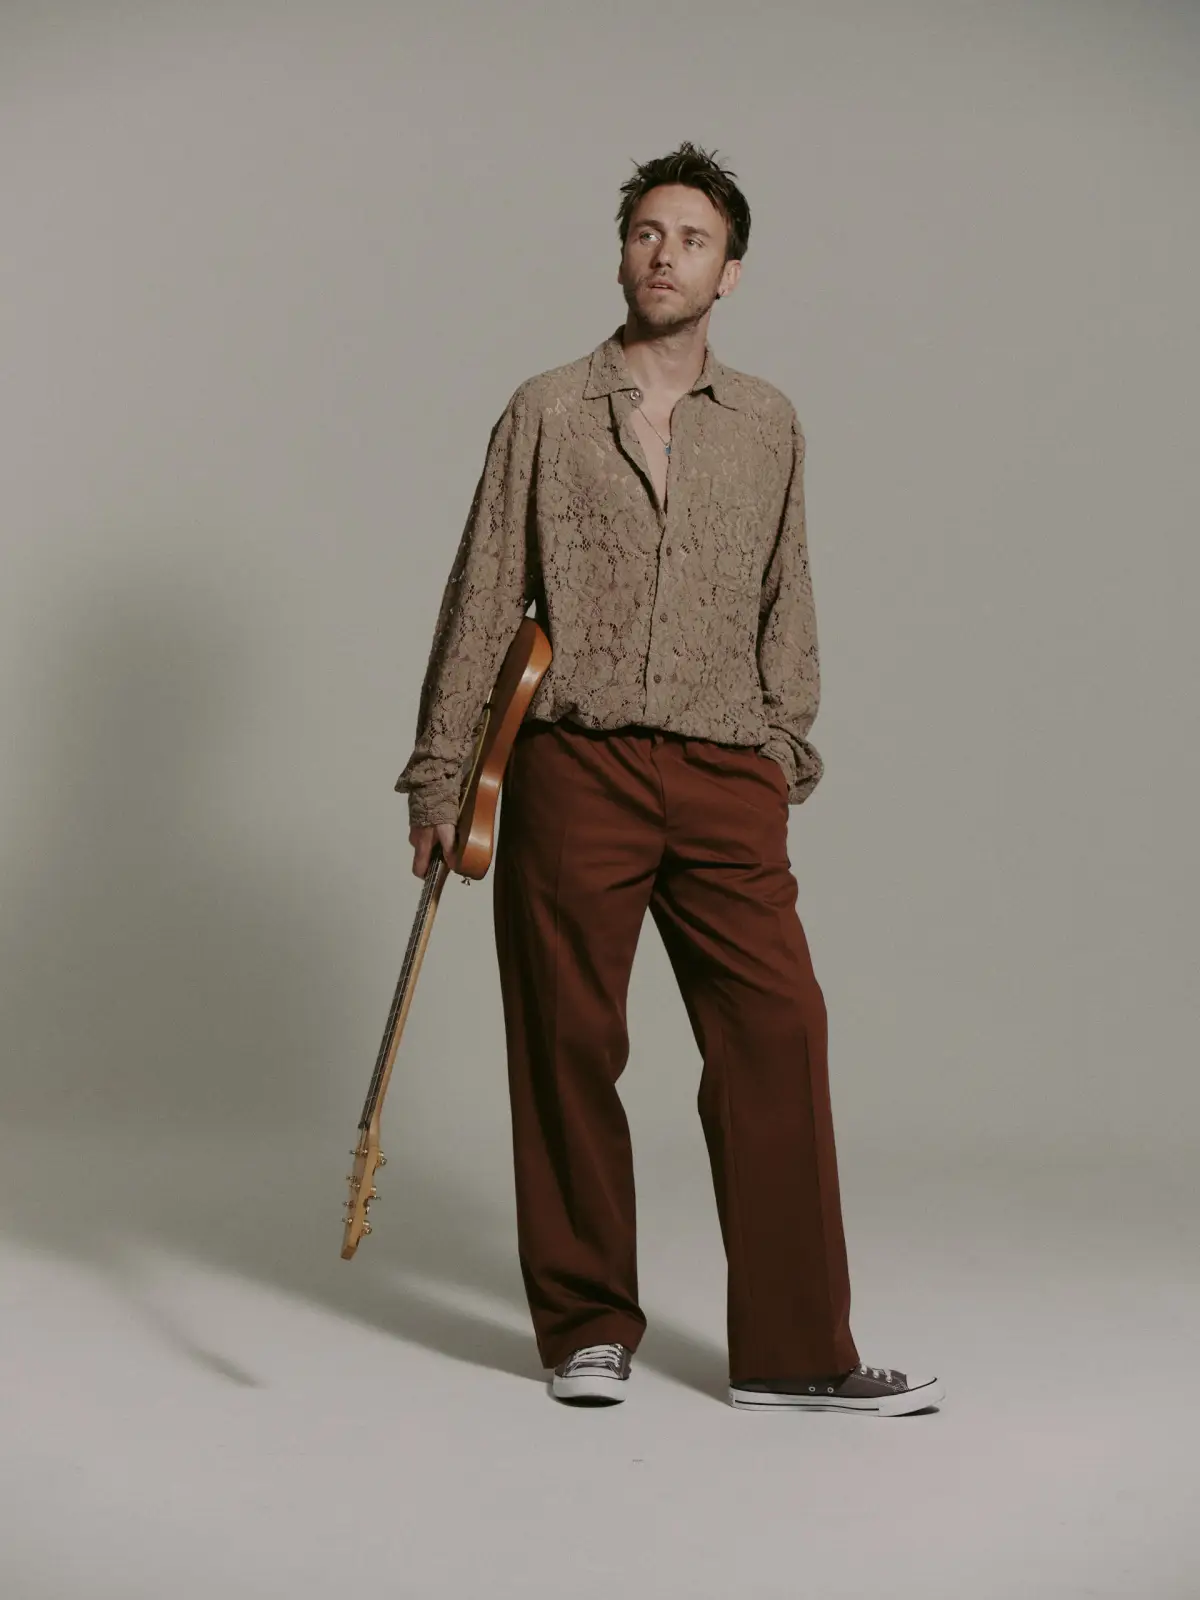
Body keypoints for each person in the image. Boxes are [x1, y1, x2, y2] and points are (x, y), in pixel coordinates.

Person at [396, 141, 943, 1417]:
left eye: (693, 239)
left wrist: (779, 747)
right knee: (567, 1042)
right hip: (573, 767)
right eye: (647, 232)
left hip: (722, 773)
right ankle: (587, 1327)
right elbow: (484, 594)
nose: (665, 254)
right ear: (621, 254)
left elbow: (788, 594)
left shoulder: (769, 423)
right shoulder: (545, 409)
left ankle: (795, 1351)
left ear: (729, 271)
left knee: (778, 1032)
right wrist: (438, 777)